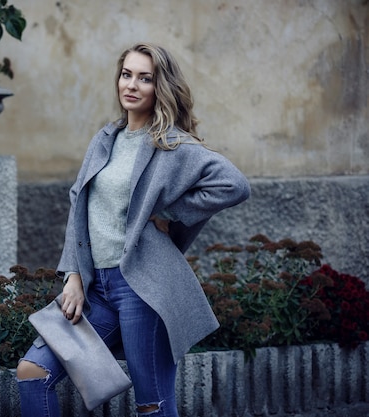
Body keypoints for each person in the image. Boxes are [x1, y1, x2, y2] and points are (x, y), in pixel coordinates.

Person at [16, 42, 251, 417]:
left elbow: (234, 185)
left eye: (145, 78)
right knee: (33, 371)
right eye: (127, 74)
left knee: (151, 405)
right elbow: (80, 205)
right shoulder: (105, 138)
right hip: (97, 289)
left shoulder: (171, 143)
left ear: (161, 87)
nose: (132, 85)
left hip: (143, 288)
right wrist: (73, 274)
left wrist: (171, 213)